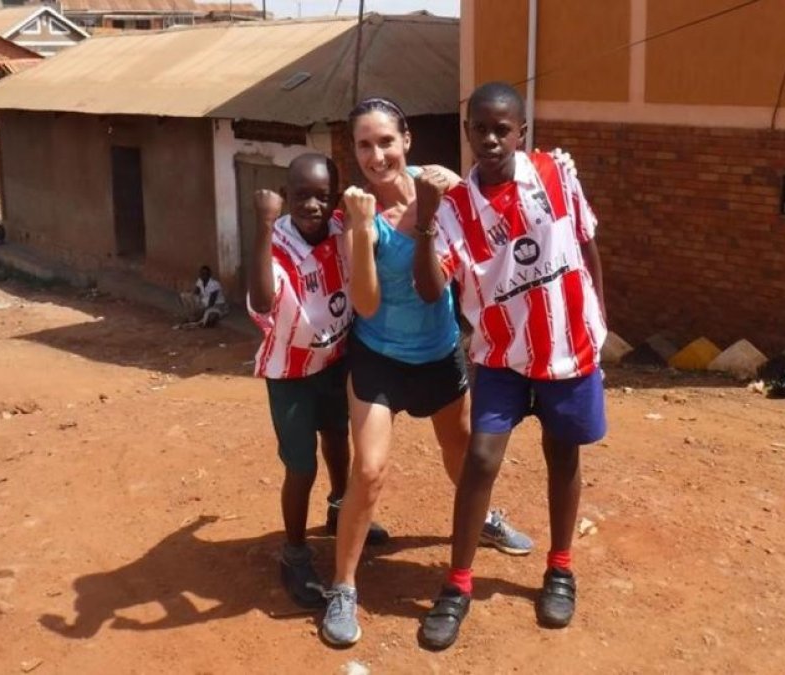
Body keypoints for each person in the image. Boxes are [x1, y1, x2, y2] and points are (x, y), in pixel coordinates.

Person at [320, 97, 533, 648]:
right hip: (379, 356)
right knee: (369, 471)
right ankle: (342, 586)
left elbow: (504, 205)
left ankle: (482, 518)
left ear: (407, 141)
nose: (376, 155)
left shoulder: (441, 186)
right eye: (364, 145)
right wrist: (364, 231)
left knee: (462, 455)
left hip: (439, 351)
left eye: (386, 141)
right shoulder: (353, 213)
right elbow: (364, 303)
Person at [412, 82, 608, 650]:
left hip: (568, 347)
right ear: (468, 132)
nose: (491, 139)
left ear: (521, 132)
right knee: (479, 457)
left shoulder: (555, 174)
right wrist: (426, 219)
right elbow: (429, 289)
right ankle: (457, 584)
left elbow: (588, 244)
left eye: (503, 128)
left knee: (562, 452)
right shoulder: (454, 208)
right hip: (500, 354)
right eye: (480, 128)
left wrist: (601, 322)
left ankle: (560, 569)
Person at [247, 153, 389, 610]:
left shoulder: (337, 231)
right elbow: (264, 301)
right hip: (289, 373)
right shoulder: (278, 241)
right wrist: (265, 227)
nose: (313, 205)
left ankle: (339, 510)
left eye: (322, 196)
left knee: (337, 439)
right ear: (286, 197)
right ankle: (293, 553)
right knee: (300, 466)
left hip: (333, 359)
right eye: (302, 196)